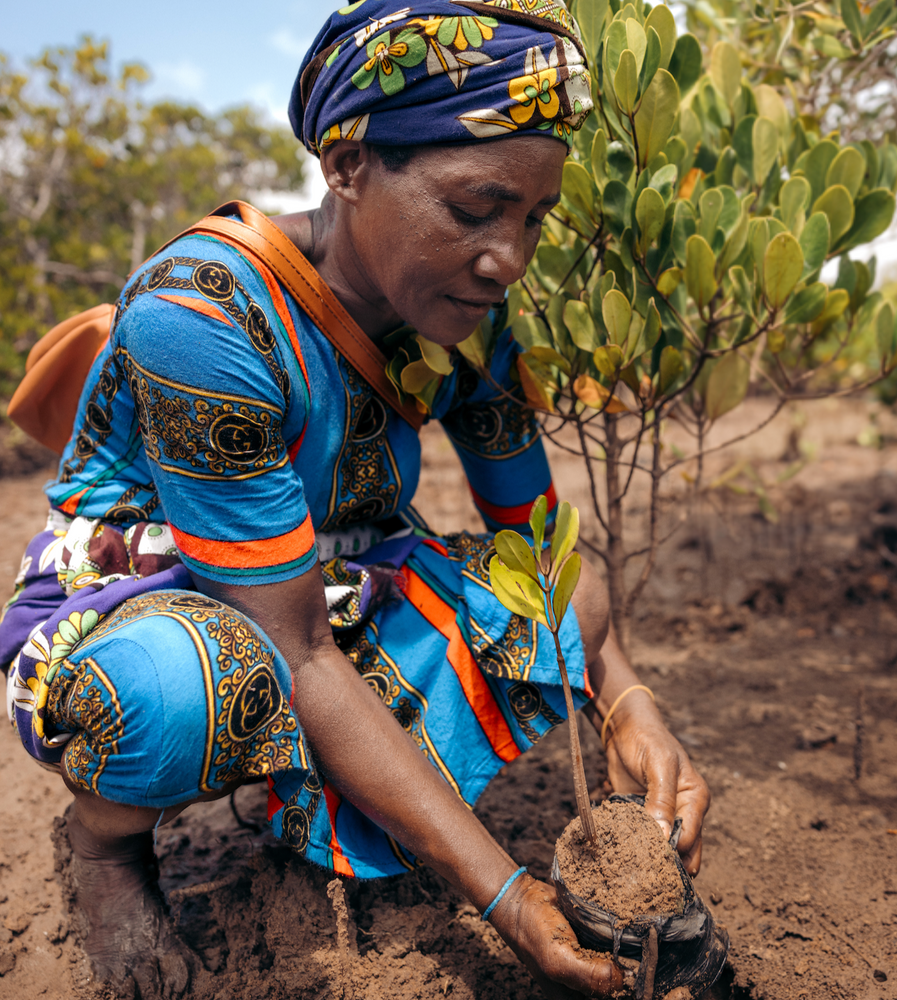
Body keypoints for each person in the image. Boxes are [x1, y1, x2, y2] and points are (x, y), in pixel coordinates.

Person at [0, 2, 710, 997]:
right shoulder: (203, 317)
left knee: (570, 609)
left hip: (330, 590)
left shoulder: (472, 315)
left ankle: (312, 794)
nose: (508, 257)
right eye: (474, 208)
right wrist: (508, 899)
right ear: (347, 164)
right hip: (161, 597)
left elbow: (538, 545)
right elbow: (294, 649)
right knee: (189, 687)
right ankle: (107, 842)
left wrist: (627, 698)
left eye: (534, 219)